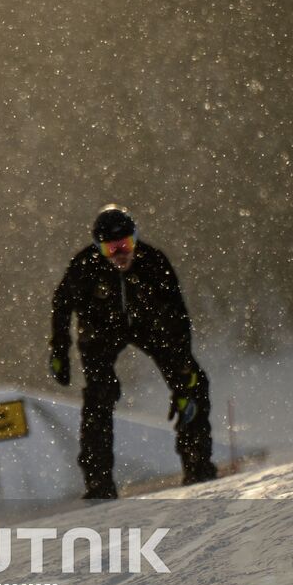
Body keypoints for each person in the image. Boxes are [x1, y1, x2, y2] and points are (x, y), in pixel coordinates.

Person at [49, 205, 218, 499]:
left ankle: (198, 465)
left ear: (135, 240)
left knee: (192, 383)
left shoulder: (153, 261)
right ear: (98, 247)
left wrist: (182, 363)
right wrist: (59, 351)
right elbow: (61, 305)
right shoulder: (84, 266)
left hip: (149, 326)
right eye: (110, 248)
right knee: (100, 395)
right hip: (99, 332)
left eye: (125, 245)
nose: (119, 254)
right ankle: (99, 484)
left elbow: (177, 313)